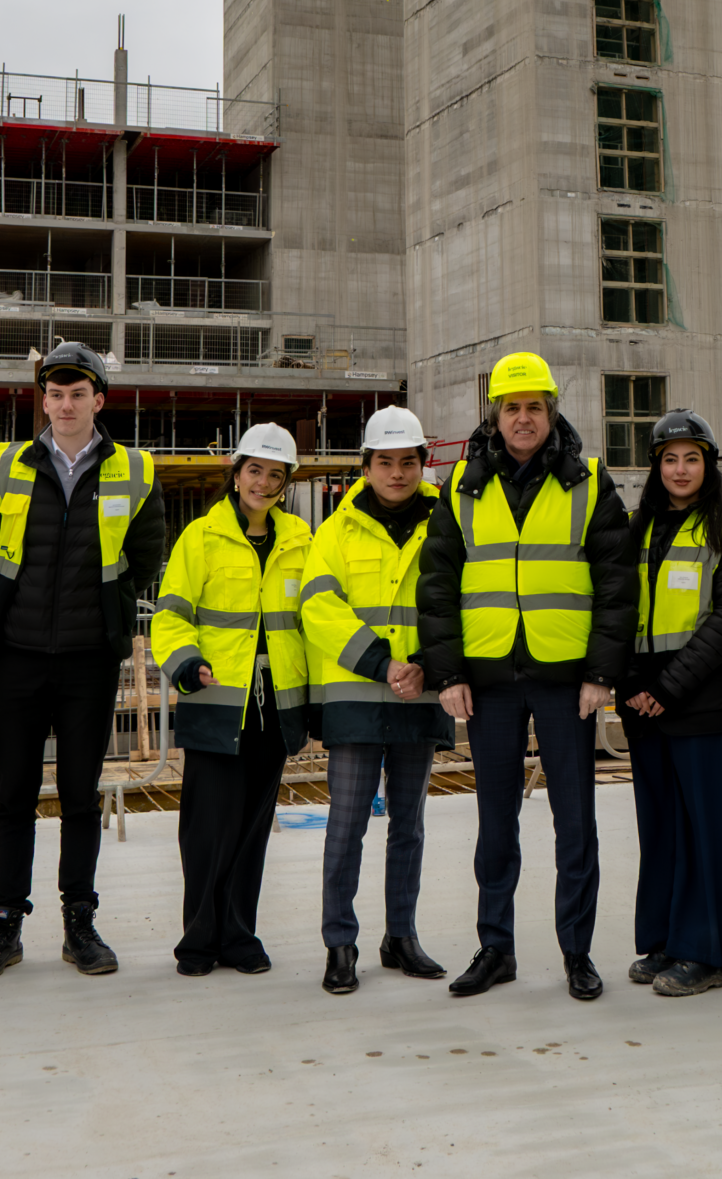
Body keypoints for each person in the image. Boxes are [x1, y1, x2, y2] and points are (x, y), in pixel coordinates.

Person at [415, 351, 634, 1001]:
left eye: (534, 406)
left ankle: (577, 950)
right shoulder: (461, 485)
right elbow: (437, 584)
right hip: (488, 680)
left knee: (576, 820)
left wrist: (601, 671)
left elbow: (618, 583)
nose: (523, 418)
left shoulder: (590, 480)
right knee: (495, 820)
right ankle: (496, 947)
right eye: (511, 407)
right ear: (496, 414)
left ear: (551, 411)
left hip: (567, 678)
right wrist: (448, 672)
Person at [0, 340, 165, 984]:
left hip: (87, 662)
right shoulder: (7, 464)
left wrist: (100, 615)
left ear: (98, 401)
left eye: (78, 394)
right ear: (42, 400)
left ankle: (80, 921)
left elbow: (146, 557)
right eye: (55, 393)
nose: (65, 404)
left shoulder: (135, 469)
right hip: (18, 655)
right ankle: (6, 925)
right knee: (15, 796)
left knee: (79, 797)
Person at [298, 405, 453, 993]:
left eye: (407, 461)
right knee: (346, 826)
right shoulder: (334, 531)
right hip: (358, 697)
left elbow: (456, 601)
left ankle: (401, 937)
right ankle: (340, 944)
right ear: (366, 466)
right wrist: (382, 662)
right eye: (384, 462)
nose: (397, 472)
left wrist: (428, 670)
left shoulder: (448, 523)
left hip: (421, 695)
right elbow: (318, 607)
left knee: (408, 826)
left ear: (422, 464)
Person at [151, 423, 311, 976]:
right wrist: (187, 665)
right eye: (254, 471)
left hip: (275, 705)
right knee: (206, 829)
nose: (263, 483)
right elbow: (170, 615)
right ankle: (198, 941)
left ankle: (240, 936)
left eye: (275, 474)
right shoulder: (201, 536)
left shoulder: (300, 540)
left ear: (286, 481)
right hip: (217, 699)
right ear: (235, 472)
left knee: (251, 831)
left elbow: (310, 622)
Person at [620, 410, 722, 998]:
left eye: (691, 458)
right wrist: (629, 685)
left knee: (708, 828)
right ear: (655, 466)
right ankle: (666, 940)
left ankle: (708, 953)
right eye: (669, 458)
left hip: (700, 701)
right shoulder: (634, 528)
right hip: (643, 704)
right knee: (662, 828)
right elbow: (616, 611)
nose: (680, 469)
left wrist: (667, 688)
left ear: (709, 465)